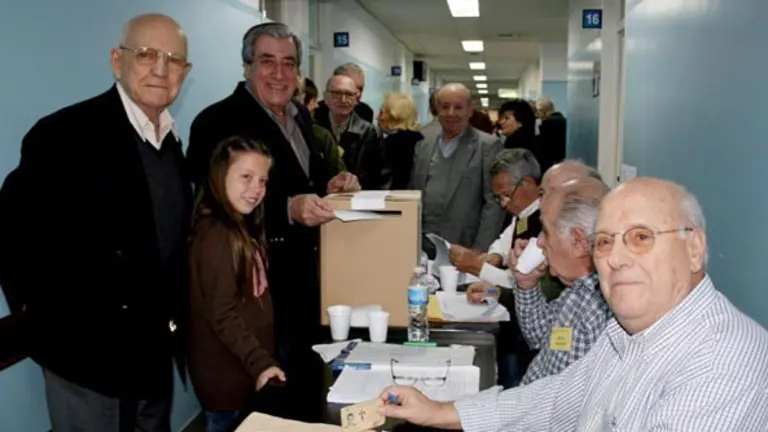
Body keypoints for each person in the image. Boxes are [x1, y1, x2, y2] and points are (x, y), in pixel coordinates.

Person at [378, 178, 768, 431]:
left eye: (640, 237)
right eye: (605, 241)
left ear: (694, 248)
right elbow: (556, 399)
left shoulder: (727, 360)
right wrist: (441, 411)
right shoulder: (625, 332)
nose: (615, 258)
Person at [0, 13, 193, 431]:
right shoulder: (63, 135)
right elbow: (11, 233)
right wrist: (41, 318)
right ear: (116, 61)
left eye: (173, 60)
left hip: (152, 357)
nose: (160, 69)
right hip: (85, 364)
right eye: (146, 54)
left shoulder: (173, 145)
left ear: (186, 72)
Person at [186, 21, 358, 424]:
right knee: (254, 413)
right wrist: (287, 209)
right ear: (246, 66)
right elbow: (213, 202)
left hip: (301, 294)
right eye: (267, 62)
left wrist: (327, 186)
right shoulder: (216, 123)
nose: (279, 74)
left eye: (288, 63)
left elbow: (299, 185)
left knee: (294, 406)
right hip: (251, 303)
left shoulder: (299, 118)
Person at [187, 137, 286, 432]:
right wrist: (260, 363)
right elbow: (223, 313)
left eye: (263, 181)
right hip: (226, 378)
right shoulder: (217, 237)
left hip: (243, 370)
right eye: (246, 177)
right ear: (220, 175)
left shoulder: (242, 228)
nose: (256, 189)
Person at [410, 83, 505, 251]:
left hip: (464, 245)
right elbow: (414, 190)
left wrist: (479, 250)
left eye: (458, 107)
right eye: (445, 107)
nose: (451, 113)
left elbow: (493, 204)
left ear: (470, 110)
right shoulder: (423, 141)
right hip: (422, 243)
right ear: (437, 109)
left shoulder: (487, 146)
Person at [378, 92, 423, 190]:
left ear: (394, 115)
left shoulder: (389, 144)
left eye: (382, 112)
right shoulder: (421, 140)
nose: (378, 118)